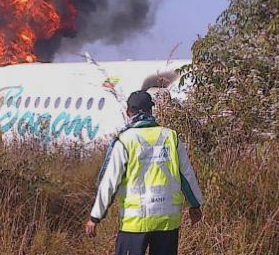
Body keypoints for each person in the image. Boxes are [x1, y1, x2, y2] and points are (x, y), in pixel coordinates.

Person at [85, 90, 204, 255]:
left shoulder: (124, 141)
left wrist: (95, 217)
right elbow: (186, 176)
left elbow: (110, 183)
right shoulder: (171, 137)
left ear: (128, 112)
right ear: (151, 110)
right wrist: (195, 205)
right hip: (167, 221)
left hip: (134, 223)